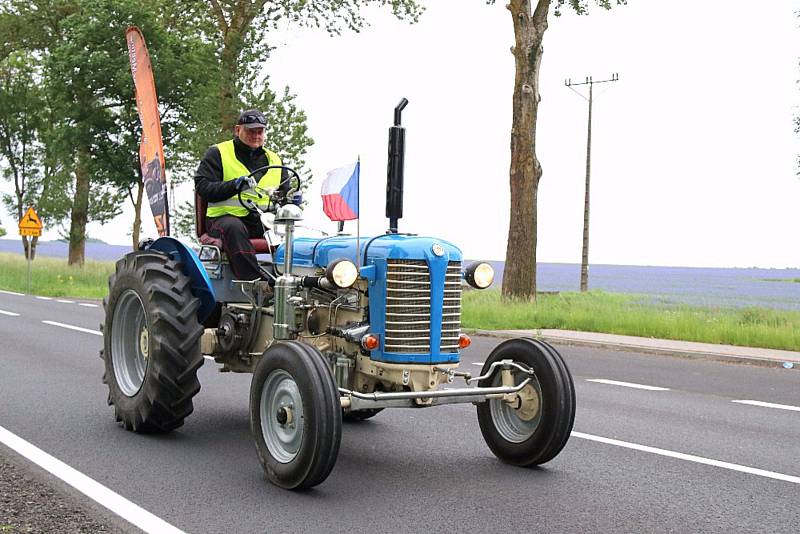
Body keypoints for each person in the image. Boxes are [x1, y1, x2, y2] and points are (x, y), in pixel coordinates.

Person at [194, 109, 290, 281]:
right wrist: (234, 185)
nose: (256, 135)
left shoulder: (276, 160)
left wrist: (292, 201)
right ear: (238, 130)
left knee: (292, 231)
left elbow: (285, 194)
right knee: (234, 228)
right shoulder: (218, 153)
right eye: (251, 131)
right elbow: (203, 187)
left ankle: (297, 281)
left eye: (259, 131)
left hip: (262, 222)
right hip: (223, 220)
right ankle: (256, 283)